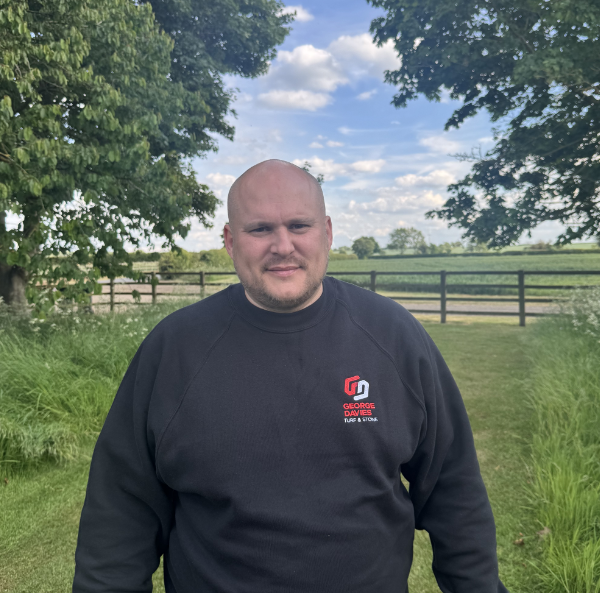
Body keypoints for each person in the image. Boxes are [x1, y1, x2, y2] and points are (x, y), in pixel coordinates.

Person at [73, 159, 509, 593]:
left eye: (299, 225)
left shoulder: (393, 336)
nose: (283, 246)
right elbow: (120, 512)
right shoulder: (175, 350)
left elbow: (454, 488)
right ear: (230, 241)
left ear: (327, 232)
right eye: (260, 229)